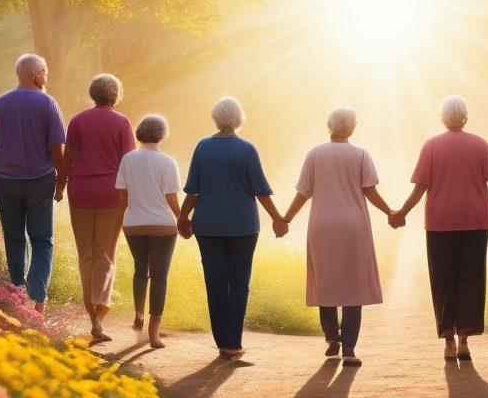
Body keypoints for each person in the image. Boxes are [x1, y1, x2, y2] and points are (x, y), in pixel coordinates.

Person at [392, 95, 488, 360]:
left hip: (440, 223)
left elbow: (420, 187)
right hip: (475, 220)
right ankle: (464, 341)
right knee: (470, 278)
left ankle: (448, 341)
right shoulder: (480, 144)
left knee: (443, 280)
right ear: (465, 117)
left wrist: (401, 213)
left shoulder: (431, 146)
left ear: (442, 117)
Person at [282, 107, 393, 367]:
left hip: (322, 227)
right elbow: (370, 192)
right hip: (353, 227)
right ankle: (350, 349)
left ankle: (332, 338)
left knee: (326, 282)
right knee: (353, 288)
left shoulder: (314, 154)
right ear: (352, 127)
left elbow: (303, 193)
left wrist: (285, 219)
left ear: (329, 126)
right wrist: (391, 212)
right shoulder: (360, 155)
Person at [178, 96, 287, 359]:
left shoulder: (203, 147)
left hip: (209, 225)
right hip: (243, 226)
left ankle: (222, 341)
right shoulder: (247, 149)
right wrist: (277, 218)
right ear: (239, 119)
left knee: (215, 281)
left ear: (215, 118)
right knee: (239, 281)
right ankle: (234, 342)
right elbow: (260, 191)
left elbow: (193, 191)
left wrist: (183, 217)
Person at [0, 53, 67, 314]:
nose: (46, 77)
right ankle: (38, 301)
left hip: (6, 181)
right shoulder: (48, 104)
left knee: (14, 238)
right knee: (42, 240)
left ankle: (18, 297)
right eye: (45, 73)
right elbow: (57, 150)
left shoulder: (1, 103)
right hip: (39, 181)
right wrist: (61, 182)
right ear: (36, 75)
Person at [61, 74, 135, 342]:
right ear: (115, 94)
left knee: (86, 255)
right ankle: (99, 315)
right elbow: (128, 162)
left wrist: (59, 186)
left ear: (93, 93)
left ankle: (92, 316)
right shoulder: (122, 122)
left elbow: (68, 159)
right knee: (105, 254)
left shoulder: (78, 121)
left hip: (79, 190)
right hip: (111, 193)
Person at [116, 114, 180, 349]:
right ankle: (154, 332)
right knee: (160, 275)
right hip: (163, 225)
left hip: (134, 224)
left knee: (140, 269)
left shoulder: (128, 159)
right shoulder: (168, 162)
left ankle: (139, 314)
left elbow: (121, 194)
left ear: (140, 133)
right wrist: (182, 219)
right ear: (162, 135)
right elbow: (171, 196)